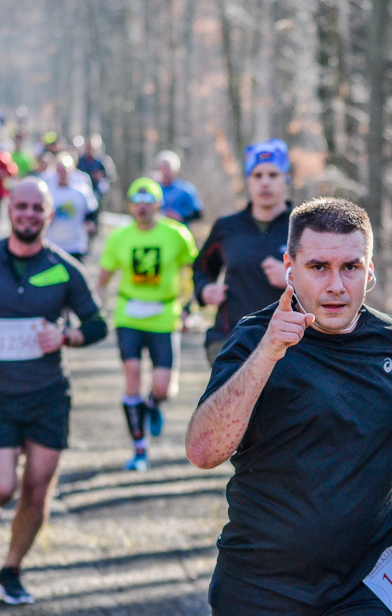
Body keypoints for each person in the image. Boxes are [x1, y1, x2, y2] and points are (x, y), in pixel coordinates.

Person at [186, 197, 392, 616]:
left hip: (358, 590)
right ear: (290, 268)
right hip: (256, 588)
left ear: (370, 270)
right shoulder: (252, 338)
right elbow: (202, 451)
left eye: (351, 267)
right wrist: (269, 352)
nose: (336, 285)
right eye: (318, 266)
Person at [0, 177, 107, 604]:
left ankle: (12, 569)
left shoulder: (66, 268)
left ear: (48, 215)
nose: (28, 214)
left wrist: (65, 337)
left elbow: (97, 326)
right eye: (21, 206)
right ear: (10, 209)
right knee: (0, 487)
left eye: (37, 208)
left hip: (48, 394)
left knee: (37, 487)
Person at [98, 178, 198, 472]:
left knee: (163, 387)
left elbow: (190, 272)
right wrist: (94, 307)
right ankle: (140, 449)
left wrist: (188, 306)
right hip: (128, 314)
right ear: (130, 206)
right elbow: (102, 279)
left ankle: (152, 406)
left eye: (148, 202)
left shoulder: (177, 234)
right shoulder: (119, 238)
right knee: (131, 376)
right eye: (136, 203)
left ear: (158, 205)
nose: (142, 208)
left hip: (165, 315)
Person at [192, 139, 292, 363]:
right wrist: (204, 289)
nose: (265, 183)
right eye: (257, 176)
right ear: (248, 181)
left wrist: (291, 279)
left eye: (273, 175)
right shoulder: (227, 227)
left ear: (286, 178)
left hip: (290, 344)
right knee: (235, 396)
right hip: (231, 338)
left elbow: (326, 281)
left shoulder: (304, 226)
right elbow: (201, 269)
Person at [46, 154, 99, 262]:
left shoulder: (81, 192)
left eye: (65, 170)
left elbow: (91, 212)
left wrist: (90, 224)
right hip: (53, 244)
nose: (62, 174)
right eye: (59, 170)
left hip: (76, 245)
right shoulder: (48, 192)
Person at [155, 150, 203, 225]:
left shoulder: (186, 189)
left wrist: (181, 218)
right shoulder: (153, 189)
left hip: (179, 232)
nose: (166, 171)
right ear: (159, 168)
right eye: (163, 167)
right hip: (157, 233)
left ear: (175, 170)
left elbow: (198, 214)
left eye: (168, 168)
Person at [76, 134, 117, 222]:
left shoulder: (102, 160)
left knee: (96, 213)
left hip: (98, 191)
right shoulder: (81, 160)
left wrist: (100, 175)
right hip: (84, 189)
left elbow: (112, 176)